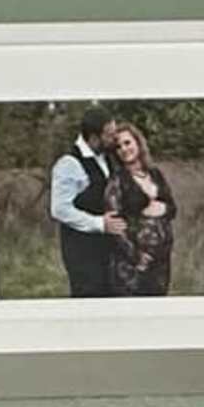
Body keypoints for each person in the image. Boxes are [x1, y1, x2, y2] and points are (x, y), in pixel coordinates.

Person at [46, 111, 128, 297]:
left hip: (108, 250)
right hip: (82, 252)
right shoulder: (69, 164)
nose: (114, 138)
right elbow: (59, 209)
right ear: (93, 138)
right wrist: (99, 223)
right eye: (109, 134)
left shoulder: (108, 157)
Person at [102, 115, 178, 297]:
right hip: (131, 267)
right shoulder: (117, 181)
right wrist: (136, 257)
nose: (124, 149)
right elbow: (114, 226)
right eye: (118, 147)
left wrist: (164, 209)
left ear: (138, 142)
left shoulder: (155, 174)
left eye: (127, 143)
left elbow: (173, 208)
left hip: (161, 261)